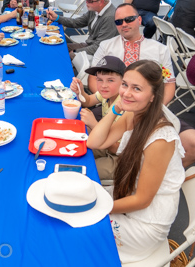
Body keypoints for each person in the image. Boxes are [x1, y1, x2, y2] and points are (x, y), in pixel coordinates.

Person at [87, 60, 185, 263]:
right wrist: (115, 108)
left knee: (83, 227)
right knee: (80, 198)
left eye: (137, 88)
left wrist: (100, 208)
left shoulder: (160, 139)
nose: (126, 93)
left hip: (146, 222)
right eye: (125, 85)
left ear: (152, 96)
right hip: (127, 194)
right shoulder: (133, 114)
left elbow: (143, 200)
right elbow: (94, 142)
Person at [89, 3, 195, 170]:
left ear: (139, 20)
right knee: (84, 125)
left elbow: (169, 84)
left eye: (129, 19)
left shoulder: (159, 50)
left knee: (192, 142)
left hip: (149, 106)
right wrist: (107, 98)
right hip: (113, 104)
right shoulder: (106, 46)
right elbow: (93, 79)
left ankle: (157, 175)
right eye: (118, 22)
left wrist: (154, 108)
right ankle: (136, 171)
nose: (124, 24)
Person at [70, 56, 126, 180]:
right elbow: (88, 101)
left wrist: (94, 124)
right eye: (99, 80)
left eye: (110, 80)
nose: (103, 85)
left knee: (84, 169)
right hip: (104, 143)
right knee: (73, 147)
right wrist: (80, 92)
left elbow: (116, 148)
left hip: (121, 158)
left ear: (124, 82)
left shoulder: (125, 107)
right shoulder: (106, 94)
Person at [47, 0, 118, 59]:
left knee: (64, 56)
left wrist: (75, 51)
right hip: (90, 45)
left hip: (100, 54)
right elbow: (77, 22)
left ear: (101, 2)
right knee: (59, 47)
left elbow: (99, 47)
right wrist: (57, 18)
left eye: (89, 1)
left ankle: (66, 74)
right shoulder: (95, 9)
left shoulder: (110, 17)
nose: (86, 2)